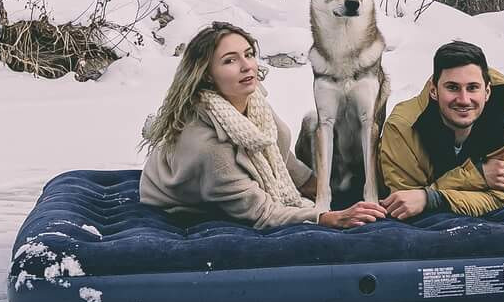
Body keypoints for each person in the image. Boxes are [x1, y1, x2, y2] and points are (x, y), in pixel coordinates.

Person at [139, 20, 384, 229]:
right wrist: (327, 217)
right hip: (179, 207)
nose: (247, 66)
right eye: (229, 61)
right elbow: (263, 212)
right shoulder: (211, 149)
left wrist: (329, 190)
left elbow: (279, 158)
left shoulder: (250, 101)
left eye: (248, 54)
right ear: (206, 75)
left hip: (226, 184)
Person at [375, 38, 504, 218]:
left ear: (487, 92)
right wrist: (477, 175)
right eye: (452, 88)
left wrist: (430, 197)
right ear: (434, 91)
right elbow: (405, 202)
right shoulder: (403, 127)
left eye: (472, 88)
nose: (463, 99)